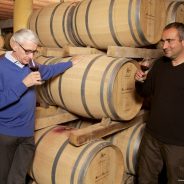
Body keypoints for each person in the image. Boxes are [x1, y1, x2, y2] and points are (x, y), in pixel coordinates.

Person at [0, 28, 80, 184]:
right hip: (5, 134)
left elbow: (48, 70)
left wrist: (70, 63)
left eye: (34, 52)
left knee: (18, 179)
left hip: (27, 134)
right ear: (14, 45)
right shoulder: (1, 67)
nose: (31, 56)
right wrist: (23, 84)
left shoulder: (30, 64)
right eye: (28, 51)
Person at [135, 22, 184, 184]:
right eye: (163, 41)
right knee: (145, 179)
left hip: (178, 143)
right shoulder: (160, 65)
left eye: (170, 41)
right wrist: (140, 81)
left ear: (183, 42)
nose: (165, 46)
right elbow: (145, 92)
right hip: (152, 136)